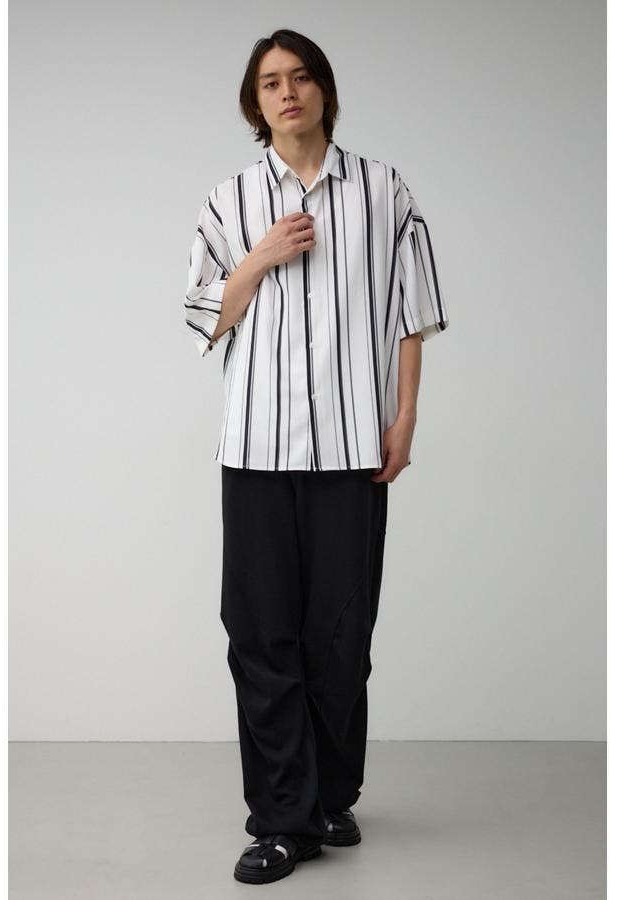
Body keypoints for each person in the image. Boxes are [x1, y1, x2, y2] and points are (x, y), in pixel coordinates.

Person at [184, 28, 450, 884]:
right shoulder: (228, 200)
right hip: (255, 451)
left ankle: (330, 795)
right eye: (270, 83)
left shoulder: (383, 189)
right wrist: (260, 257)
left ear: (324, 90)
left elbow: (412, 314)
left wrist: (405, 418)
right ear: (255, 103)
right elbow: (204, 318)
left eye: (300, 77)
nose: (288, 92)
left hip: (351, 449)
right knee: (261, 635)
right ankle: (281, 819)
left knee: (341, 636)